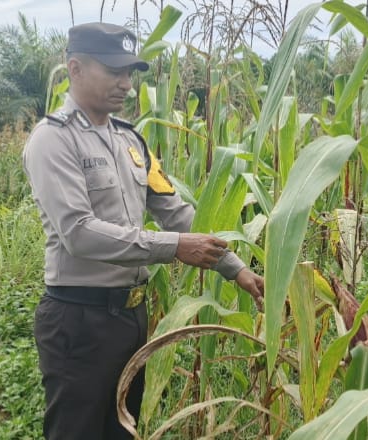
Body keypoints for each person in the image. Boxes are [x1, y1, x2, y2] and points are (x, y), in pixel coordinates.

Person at [22, 22, 264, 440]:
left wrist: (236, 268)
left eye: (130, 73)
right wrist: (174, 248)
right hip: (80, 320)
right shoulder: (53, 141)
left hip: (131, 318)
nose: (127, 85)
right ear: (75, 68)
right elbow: (78, 233)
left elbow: (176, 212)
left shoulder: (131, 142)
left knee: (124, 428)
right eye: (114, 71)